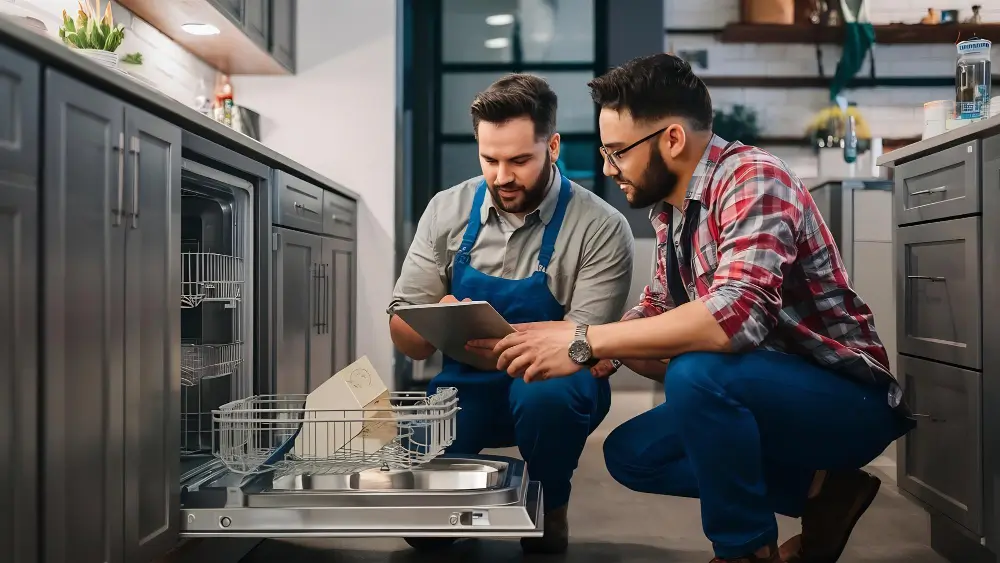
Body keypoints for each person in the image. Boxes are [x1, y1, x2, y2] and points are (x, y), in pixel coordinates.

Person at [476, 54, 916, 563]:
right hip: (765, 389)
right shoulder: (673, 212)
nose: (608, 168)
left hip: (848, 403)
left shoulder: (754, 178)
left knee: (696, 373)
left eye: (617, 152)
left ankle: (744, 551)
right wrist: (595, 351)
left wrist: (584, 339)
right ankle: (823, 491)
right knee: (633, 454)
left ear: (672, 139)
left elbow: (735, 318)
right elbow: (657, 306)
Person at [387, 73, 635, 554]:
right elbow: (407, 339)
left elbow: (580, 348)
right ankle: (464, 499)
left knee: (547, 396)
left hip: (552, 384)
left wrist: (498, 341)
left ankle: (549, 503)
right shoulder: (446, 210)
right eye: (490, 159)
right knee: (424, 536)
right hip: (464, 387)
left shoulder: (601, 227)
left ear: (553, 147)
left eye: (519, 160)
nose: (502, 176)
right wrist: (434, 316)